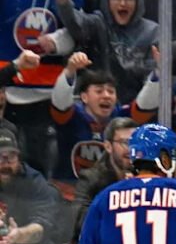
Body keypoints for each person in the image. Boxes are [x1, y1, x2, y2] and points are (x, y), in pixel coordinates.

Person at [0, 0, 85, 173]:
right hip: (6, 85)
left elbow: (80, 31)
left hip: (47, 90)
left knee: (39, 167)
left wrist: (56, 41)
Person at [50, 52, 159, 180]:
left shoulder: (122, 117)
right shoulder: (71, 116)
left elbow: (145, 105)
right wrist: (70, 70)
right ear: (84, 97)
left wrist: (159, 71)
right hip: (70, 187)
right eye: (99, 91)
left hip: (111, 188)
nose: (106, 96)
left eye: (111, 91)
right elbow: (60, 102)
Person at [56, 0, 159, 104]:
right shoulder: (98, 22)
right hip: (96, 104)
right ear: (107, 1)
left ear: (138, 2)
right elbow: (76, 23)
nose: (123, 3)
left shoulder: (152, 31)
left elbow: (153, 77)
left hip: (135, 105)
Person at [0, 128, 62, 244]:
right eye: (0, 157)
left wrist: (19, 235)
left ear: (19, 157)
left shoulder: (34, 182)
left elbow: (41, 226)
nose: (6, 164)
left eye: (11, 157)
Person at [72, 117, 138, 244]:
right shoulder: (91, 178)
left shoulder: (147, 176)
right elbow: (80, 219)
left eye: (135, 142)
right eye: (125, 142)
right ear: (108, 146)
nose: (131, 149)